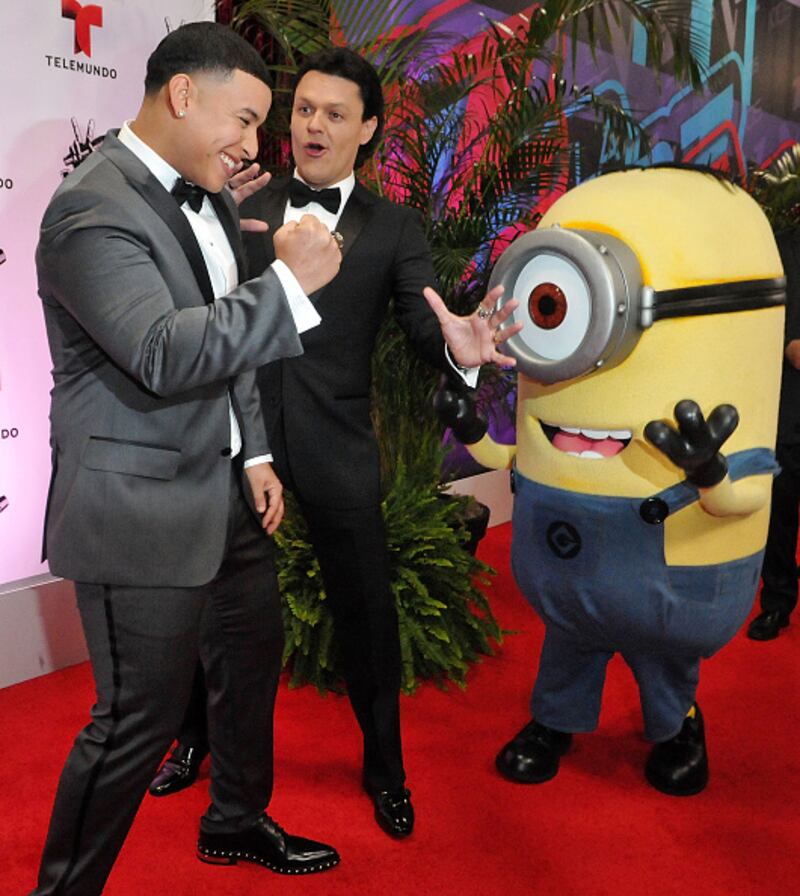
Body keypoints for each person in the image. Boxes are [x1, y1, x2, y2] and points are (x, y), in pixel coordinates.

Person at [149, 46, 519, 839]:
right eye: (305, 109)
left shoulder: (393, 227)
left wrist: (460, 347)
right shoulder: (243, 202)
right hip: (238, 439)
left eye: (335, 114)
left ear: (369, 128)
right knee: (208, 606)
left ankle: (386, 771)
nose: (313, 125)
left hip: (337, 445)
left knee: (367, 618)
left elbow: (423, 320)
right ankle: (193, 739)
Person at [31, 22, 344, 895]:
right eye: (243, 120)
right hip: (141, 507)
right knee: (136, 721)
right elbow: (165, 352)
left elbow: (225, 342)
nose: (252, 146)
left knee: (248, 665)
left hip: (226, 488)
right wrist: (289, 284)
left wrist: (255, 451)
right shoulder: (90, 206)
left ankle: (235, 820)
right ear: (181, 95)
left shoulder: (207, 196)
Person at [748, 227, 800, 641]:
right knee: (780, 511)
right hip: (789, 407)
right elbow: (765, 319)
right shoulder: (781, 248)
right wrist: (787, 344)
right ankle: (777, 602)